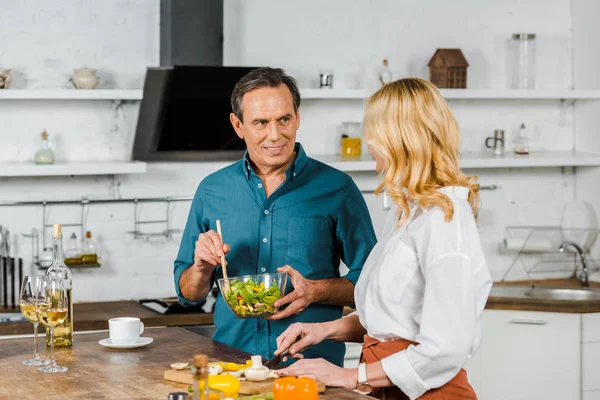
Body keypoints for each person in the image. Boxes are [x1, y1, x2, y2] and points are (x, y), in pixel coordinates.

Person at [274, 77, 493, 399]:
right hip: (390, 386)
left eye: (374, 132)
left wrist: (350, 375)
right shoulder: (412, 213)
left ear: (399, 139)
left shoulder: (445, 220)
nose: (369, 142)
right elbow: (391, 317)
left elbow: (447, 348)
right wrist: (324, 330)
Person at [173, 67, 377, 367]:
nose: (275, 134)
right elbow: (187, 293)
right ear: (238, 125)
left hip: (313, 370)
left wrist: (315, 291)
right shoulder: (212, 190)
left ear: (297, 117)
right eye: (260, 122)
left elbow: (374, 285)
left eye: (284, 119)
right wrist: (202, 268)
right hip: (232, 368)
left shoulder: (337, 188)